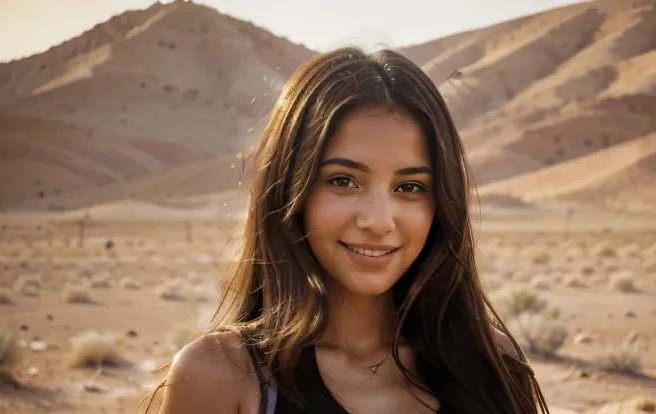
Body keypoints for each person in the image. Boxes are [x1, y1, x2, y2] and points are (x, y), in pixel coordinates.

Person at [146, 46, 549, 414]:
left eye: (409, 187)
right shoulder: (222, 375)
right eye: (343, 180)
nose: (378, 220)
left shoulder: (492, 363)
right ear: (290, 188)